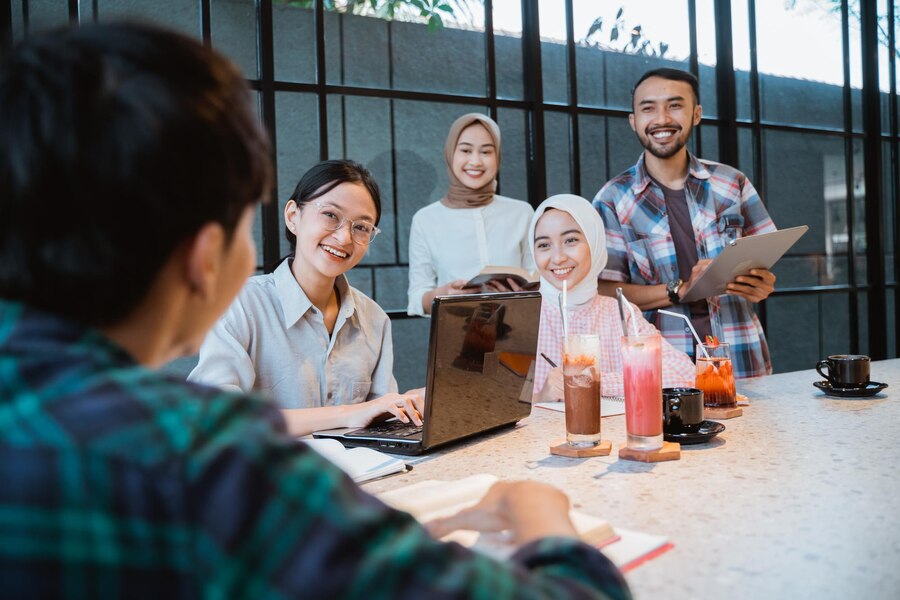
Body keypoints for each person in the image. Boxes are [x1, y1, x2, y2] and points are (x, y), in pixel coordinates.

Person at [0, 22, 631, 598]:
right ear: (206, 252)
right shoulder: (212, 461)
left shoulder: (367, 323)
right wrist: (548, 524)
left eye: (363, 227)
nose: (345, 238)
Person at [189, 160, 424, 437]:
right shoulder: (239, 304)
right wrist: (349, 414)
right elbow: (217, 418)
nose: (344, 237)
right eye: (330, 215)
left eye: (361, 227)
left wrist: (406, 405)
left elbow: (380, 424)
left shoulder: (375, 319)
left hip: (358, 476)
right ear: (293, 216)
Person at [593, 68, 777, 378]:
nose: (661, 118)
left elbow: (764, 266)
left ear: (696, 114)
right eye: (648, 108)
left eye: (675, 105)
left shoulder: (733, 183)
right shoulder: (612, 199)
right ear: (633, 120)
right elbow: (605, 291)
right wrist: (679, 289)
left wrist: (761, 285)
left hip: (742, 357)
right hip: (662, 367)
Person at [529, 195, 696, 403]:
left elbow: (684, 375)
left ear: (595, 242)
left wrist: (596, 381)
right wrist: (540, 397)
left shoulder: (620, 312)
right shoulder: (520, 316)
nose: (558, 257)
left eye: (570, 240)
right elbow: (487, 406)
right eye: (544, 245)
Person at [407, 113, 534, 315]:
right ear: (450, 154)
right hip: (454, 336)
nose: (475, 161)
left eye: (486, 152)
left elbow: (541, 279)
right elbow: (415, 298)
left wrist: (525, 292)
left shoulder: (522, 212)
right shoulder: (426, 220)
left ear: (498, 157)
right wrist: (443, 295)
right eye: (466, 150)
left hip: (519, 331)